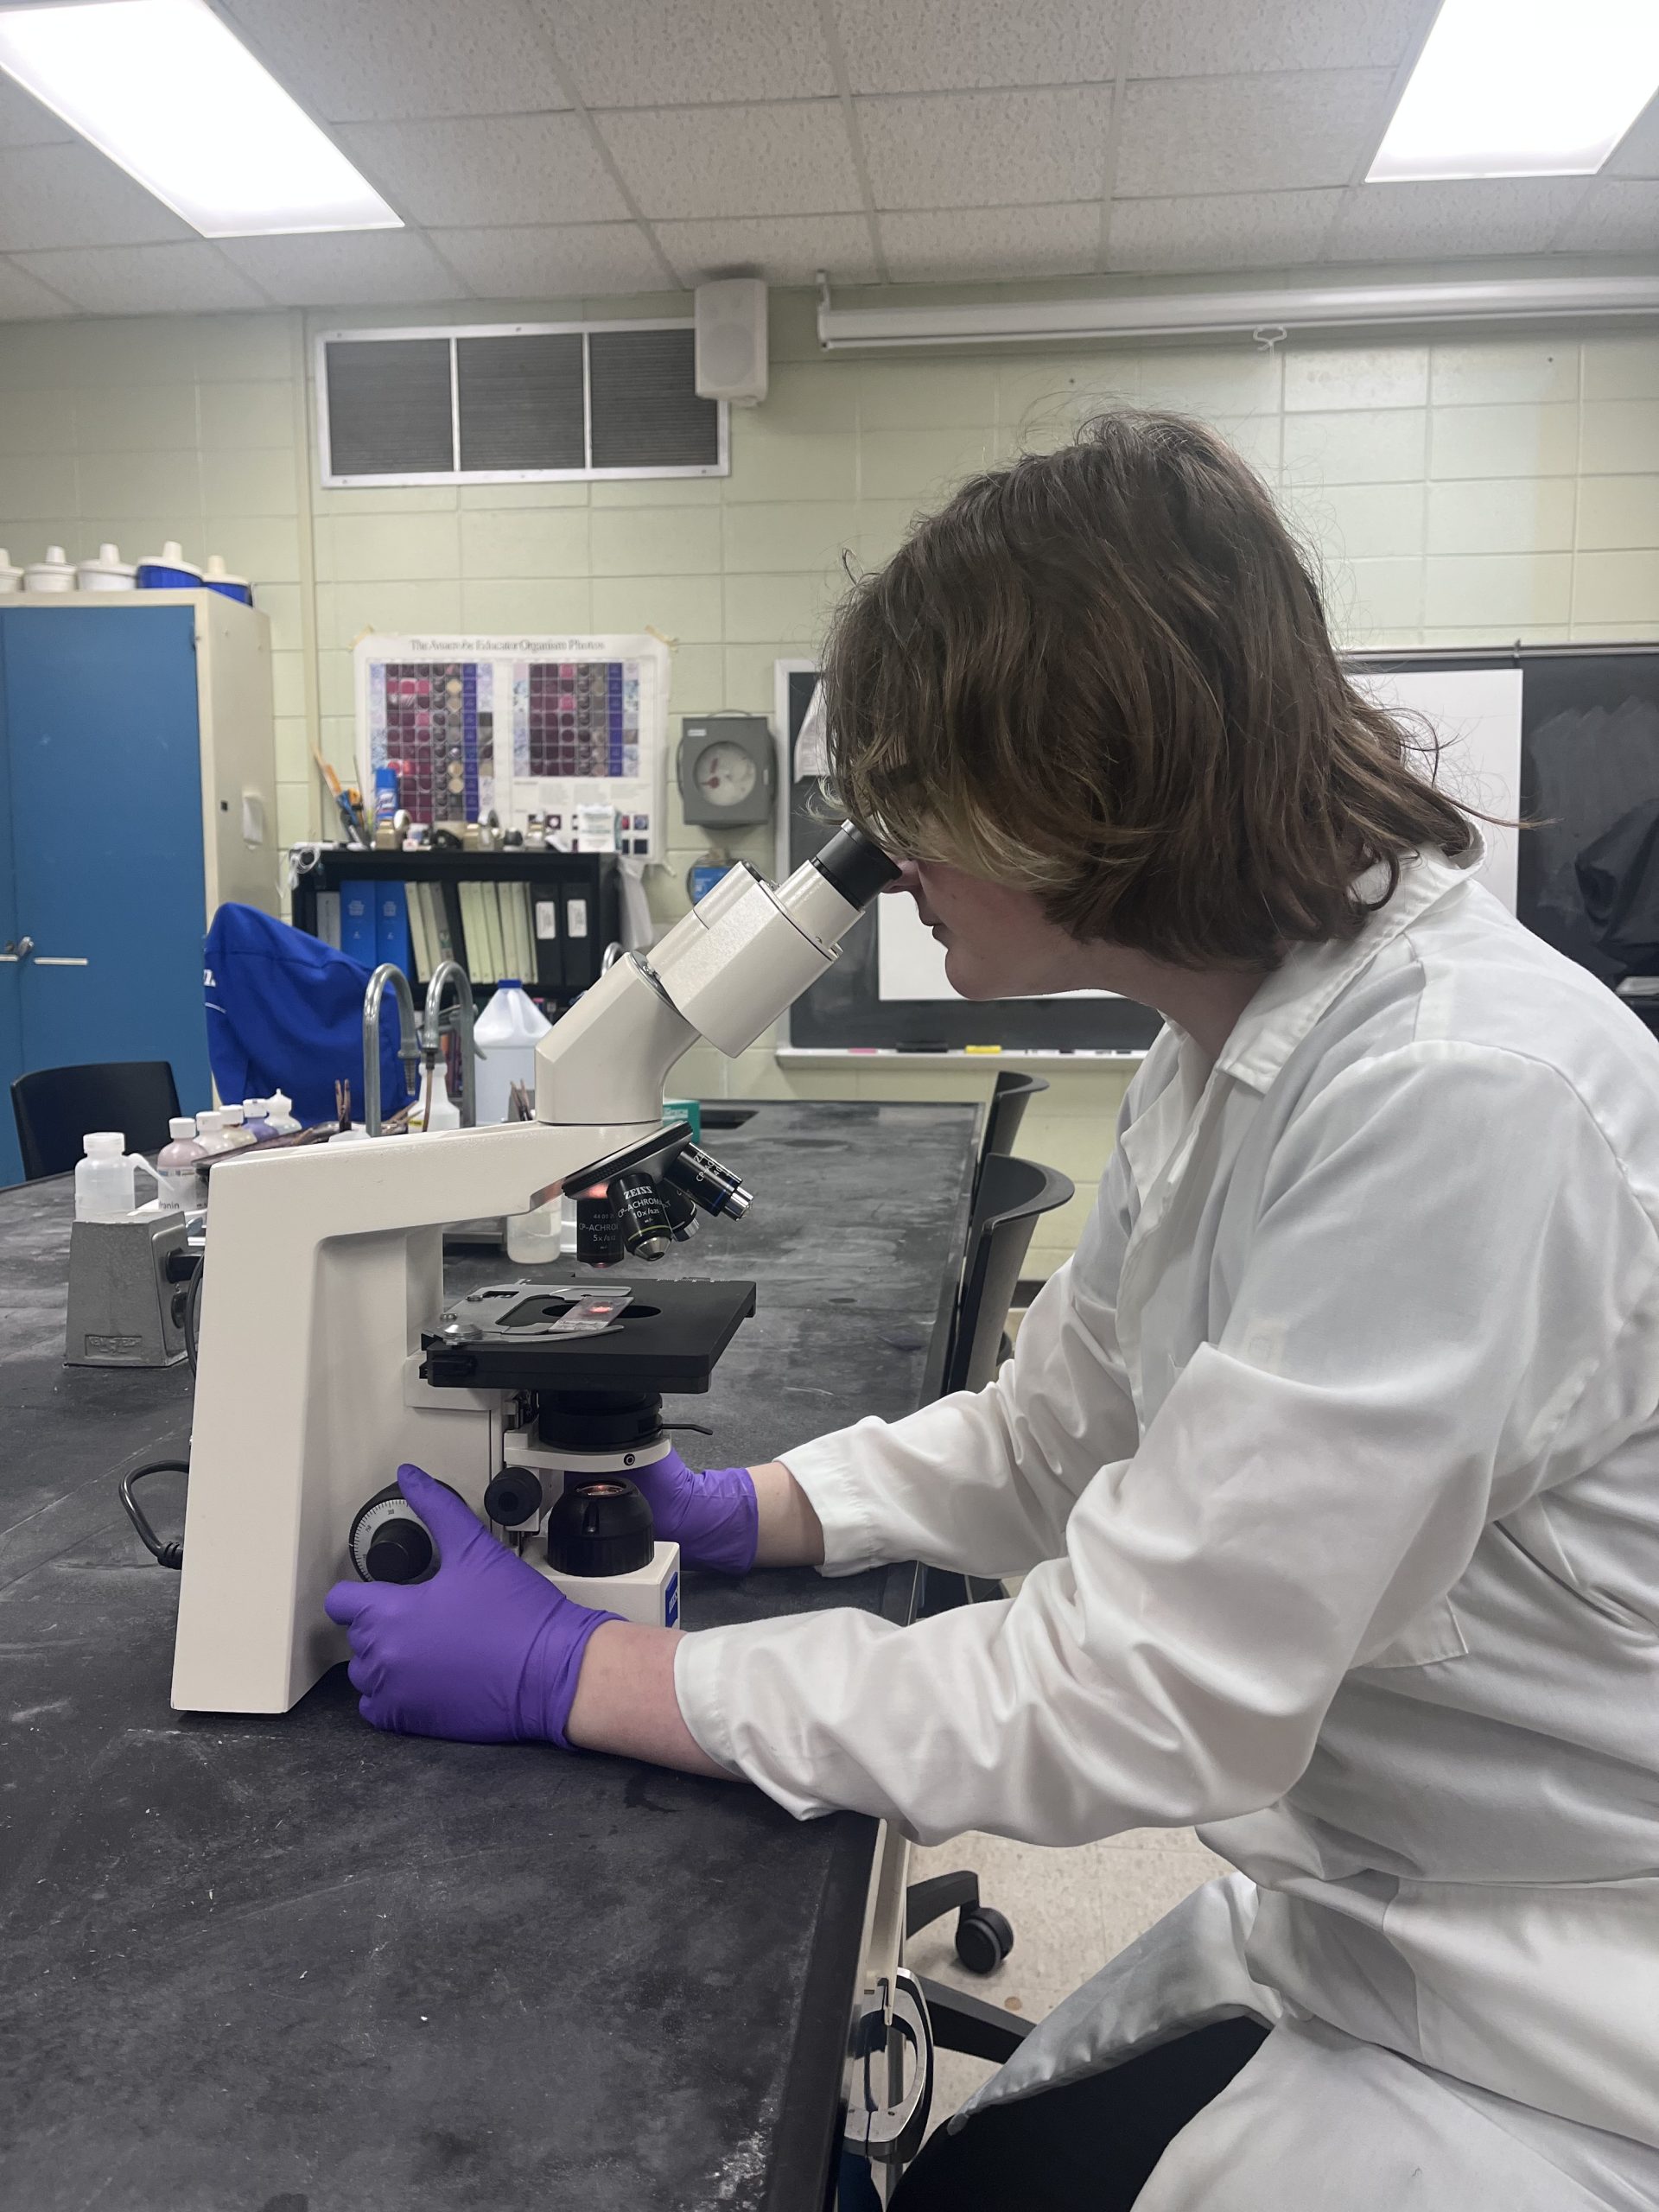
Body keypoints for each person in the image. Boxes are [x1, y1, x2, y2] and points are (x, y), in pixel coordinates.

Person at [327, 413, 1659, 2209]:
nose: (883, 859)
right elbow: (1063, 1422)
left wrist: (594, 1674)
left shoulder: (1462, 1095)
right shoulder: (1230, 1047)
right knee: (968, 2177)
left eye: (911, 807)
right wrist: (775, 1506)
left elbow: (1139, 1688)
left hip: (1561, 2024)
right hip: (1374, 1908)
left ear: (1082, 786)